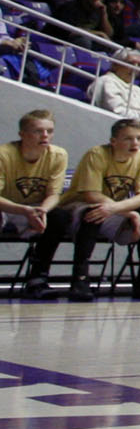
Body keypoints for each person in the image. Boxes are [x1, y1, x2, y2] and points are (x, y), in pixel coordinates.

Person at [64, 117, 140, 301]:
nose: (135, 143)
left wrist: (118, 209)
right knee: (94, 212)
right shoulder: (97, 154)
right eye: (128, 139)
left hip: (112, 207)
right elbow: (91, 194)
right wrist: (126, 212)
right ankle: (80, 279)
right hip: (78, 206)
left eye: (139, 138)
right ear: (113, 141)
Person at [2, 107, 72, 299]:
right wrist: (25, 211)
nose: (45, 135)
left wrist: (42, 211)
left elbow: (54, 194)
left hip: (34, 209)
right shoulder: (4, 154)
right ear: (22, 134)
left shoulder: (58, 155)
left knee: (59, 216)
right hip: (7, 207)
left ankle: (38, 278)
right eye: (38, 131)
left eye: (49, 131)